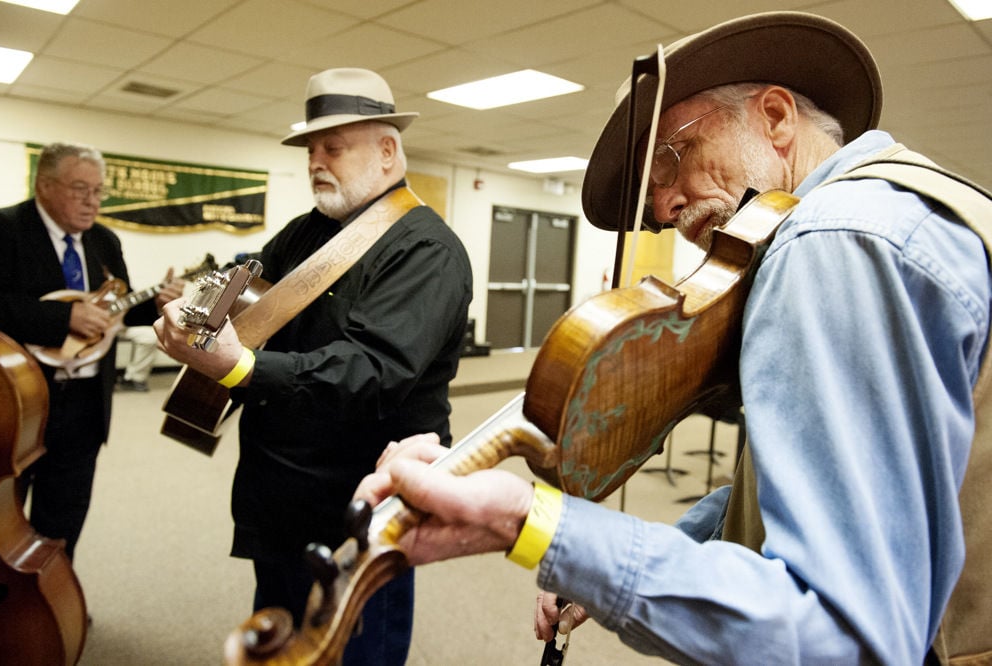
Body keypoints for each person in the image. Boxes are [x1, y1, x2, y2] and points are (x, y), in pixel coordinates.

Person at [353, 12, 991, 665]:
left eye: (668, 159)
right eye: (652, 189)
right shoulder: (913, 204)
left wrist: (532, 523)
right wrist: (617, 551)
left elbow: (841, 635)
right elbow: (810, 488)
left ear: (775, 117)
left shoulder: (832, 242)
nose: (662, 209)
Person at [153, 68, 473, 665]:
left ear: (386, 151)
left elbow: (371, 372)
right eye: (311, 148)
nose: (316, 161)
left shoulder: (426, 250)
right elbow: (247, 284)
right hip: (279, 500)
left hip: (357, 509)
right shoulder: (306, 233)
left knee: (355, 651)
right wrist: (193, 306)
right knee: (280, 646)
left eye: (334, 146)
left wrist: (241, 367)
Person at [0, 142, 184, 563]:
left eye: (98, 191)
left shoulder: (105, 240)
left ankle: (50, 605)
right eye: (80, 189)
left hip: (84, 404)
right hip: (17, 400)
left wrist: (153, 305)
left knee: (65, 514)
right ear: (44, 184)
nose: (92, 201)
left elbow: (114, 314)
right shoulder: (3, 228)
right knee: (2, 512)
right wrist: (61, 320)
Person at [116, 325, 159, 392]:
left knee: (151, 334)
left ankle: (131, 378)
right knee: (150, 337)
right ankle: (136, 378)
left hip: (125, 324)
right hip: (110, 324)